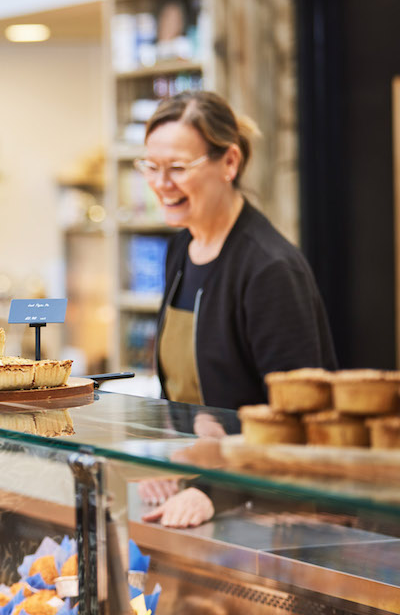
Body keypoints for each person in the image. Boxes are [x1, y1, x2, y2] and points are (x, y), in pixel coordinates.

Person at [132, 91, 337, 527]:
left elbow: (297, 422)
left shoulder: (269, 269)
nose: (161, 183)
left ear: (229, 162)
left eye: (177, 168)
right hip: (206, 493)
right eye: (150, 166)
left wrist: (215, 490)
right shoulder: (181, 248)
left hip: (275, 511)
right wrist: (170, 460)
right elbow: (190, 402)